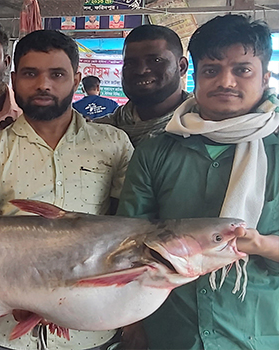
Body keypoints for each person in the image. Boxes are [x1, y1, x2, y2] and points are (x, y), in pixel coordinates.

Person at [0, 29, 134, 350]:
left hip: (89, 326)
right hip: (2, 329)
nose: (43, 84)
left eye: (57, 74)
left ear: (76, 79)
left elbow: (127, 236)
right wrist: (17, 296)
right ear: (13, 78)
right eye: (30, 74)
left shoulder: (113, 144)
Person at [117, 15, 279, 350]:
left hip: (258, 333)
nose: (226, 81)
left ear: (265, 77)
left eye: (242, 69)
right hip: (170, 332)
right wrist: (131, 325)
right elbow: (127, 242)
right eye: (212, 69)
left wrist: (258, 244)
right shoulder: (155, 151)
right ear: (194, 75)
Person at [96, 25, 189, 146]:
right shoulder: (98, 133)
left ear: (181, 67)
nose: (141, 70)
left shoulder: (206, 130)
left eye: (155, 60)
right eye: (130, 63)